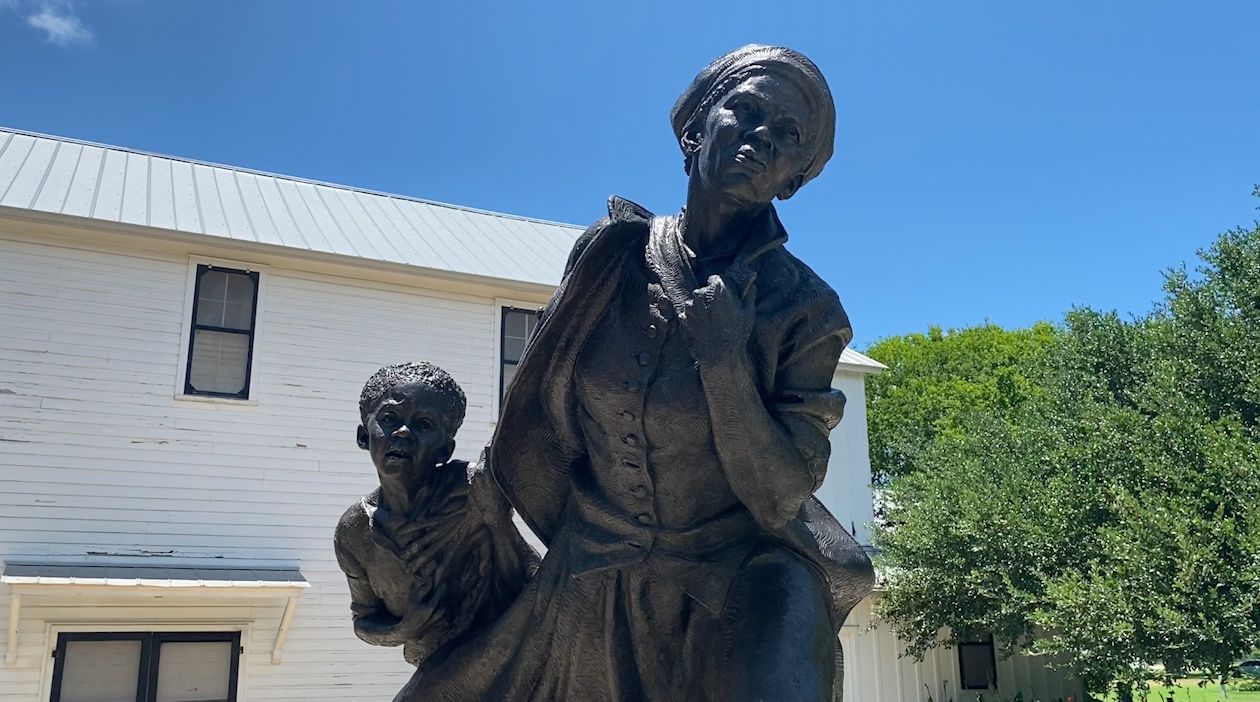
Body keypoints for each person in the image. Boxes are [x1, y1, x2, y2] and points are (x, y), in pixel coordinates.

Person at [396, 45, 874, 702]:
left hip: (734, 577)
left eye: (790, 135)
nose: (764, 135)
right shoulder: (609, 256)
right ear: (694, 130)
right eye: (749, 110)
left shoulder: (807, 311)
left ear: (792, 179)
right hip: (592, 561)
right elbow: (541, 400)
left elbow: (780, 496)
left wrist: (725, 363)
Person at [334, 362, 536, 668]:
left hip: (512, 650)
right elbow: (364, 620)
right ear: (364, 436)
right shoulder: (355, 531)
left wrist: (498, 520)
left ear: (445, 450)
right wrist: (405, 628)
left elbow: (537, 581)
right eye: (389, 419)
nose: (403, 432)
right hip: (435, 662)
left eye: (424, 424)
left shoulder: (474, 490)